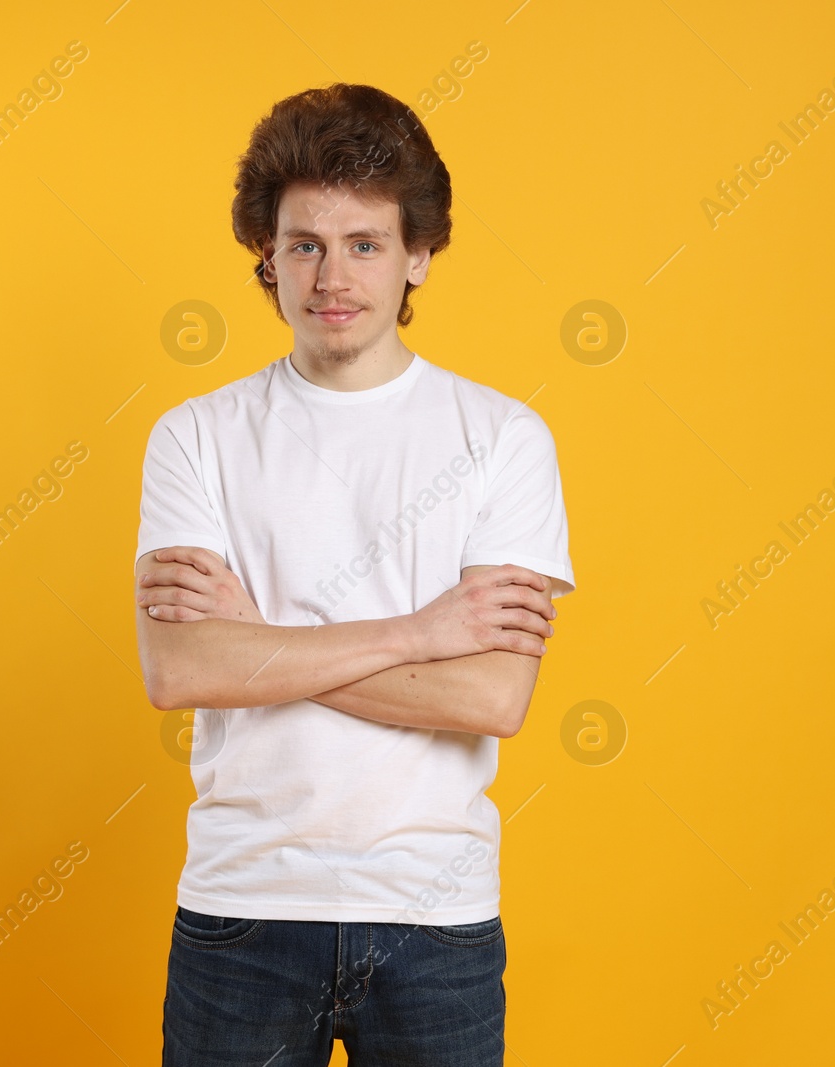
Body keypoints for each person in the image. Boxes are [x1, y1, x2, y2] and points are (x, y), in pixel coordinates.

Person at [134, 82, 575, 1066]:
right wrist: (421, 631)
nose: (332, 276)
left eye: (365, 244)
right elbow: (179, 674)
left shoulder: (502, 439)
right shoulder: (194, 438)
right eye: (304, 243)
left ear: (419, 253)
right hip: (241, 908)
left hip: (436, 916)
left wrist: (258, 645)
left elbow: (492, 696)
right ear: (268, 254)